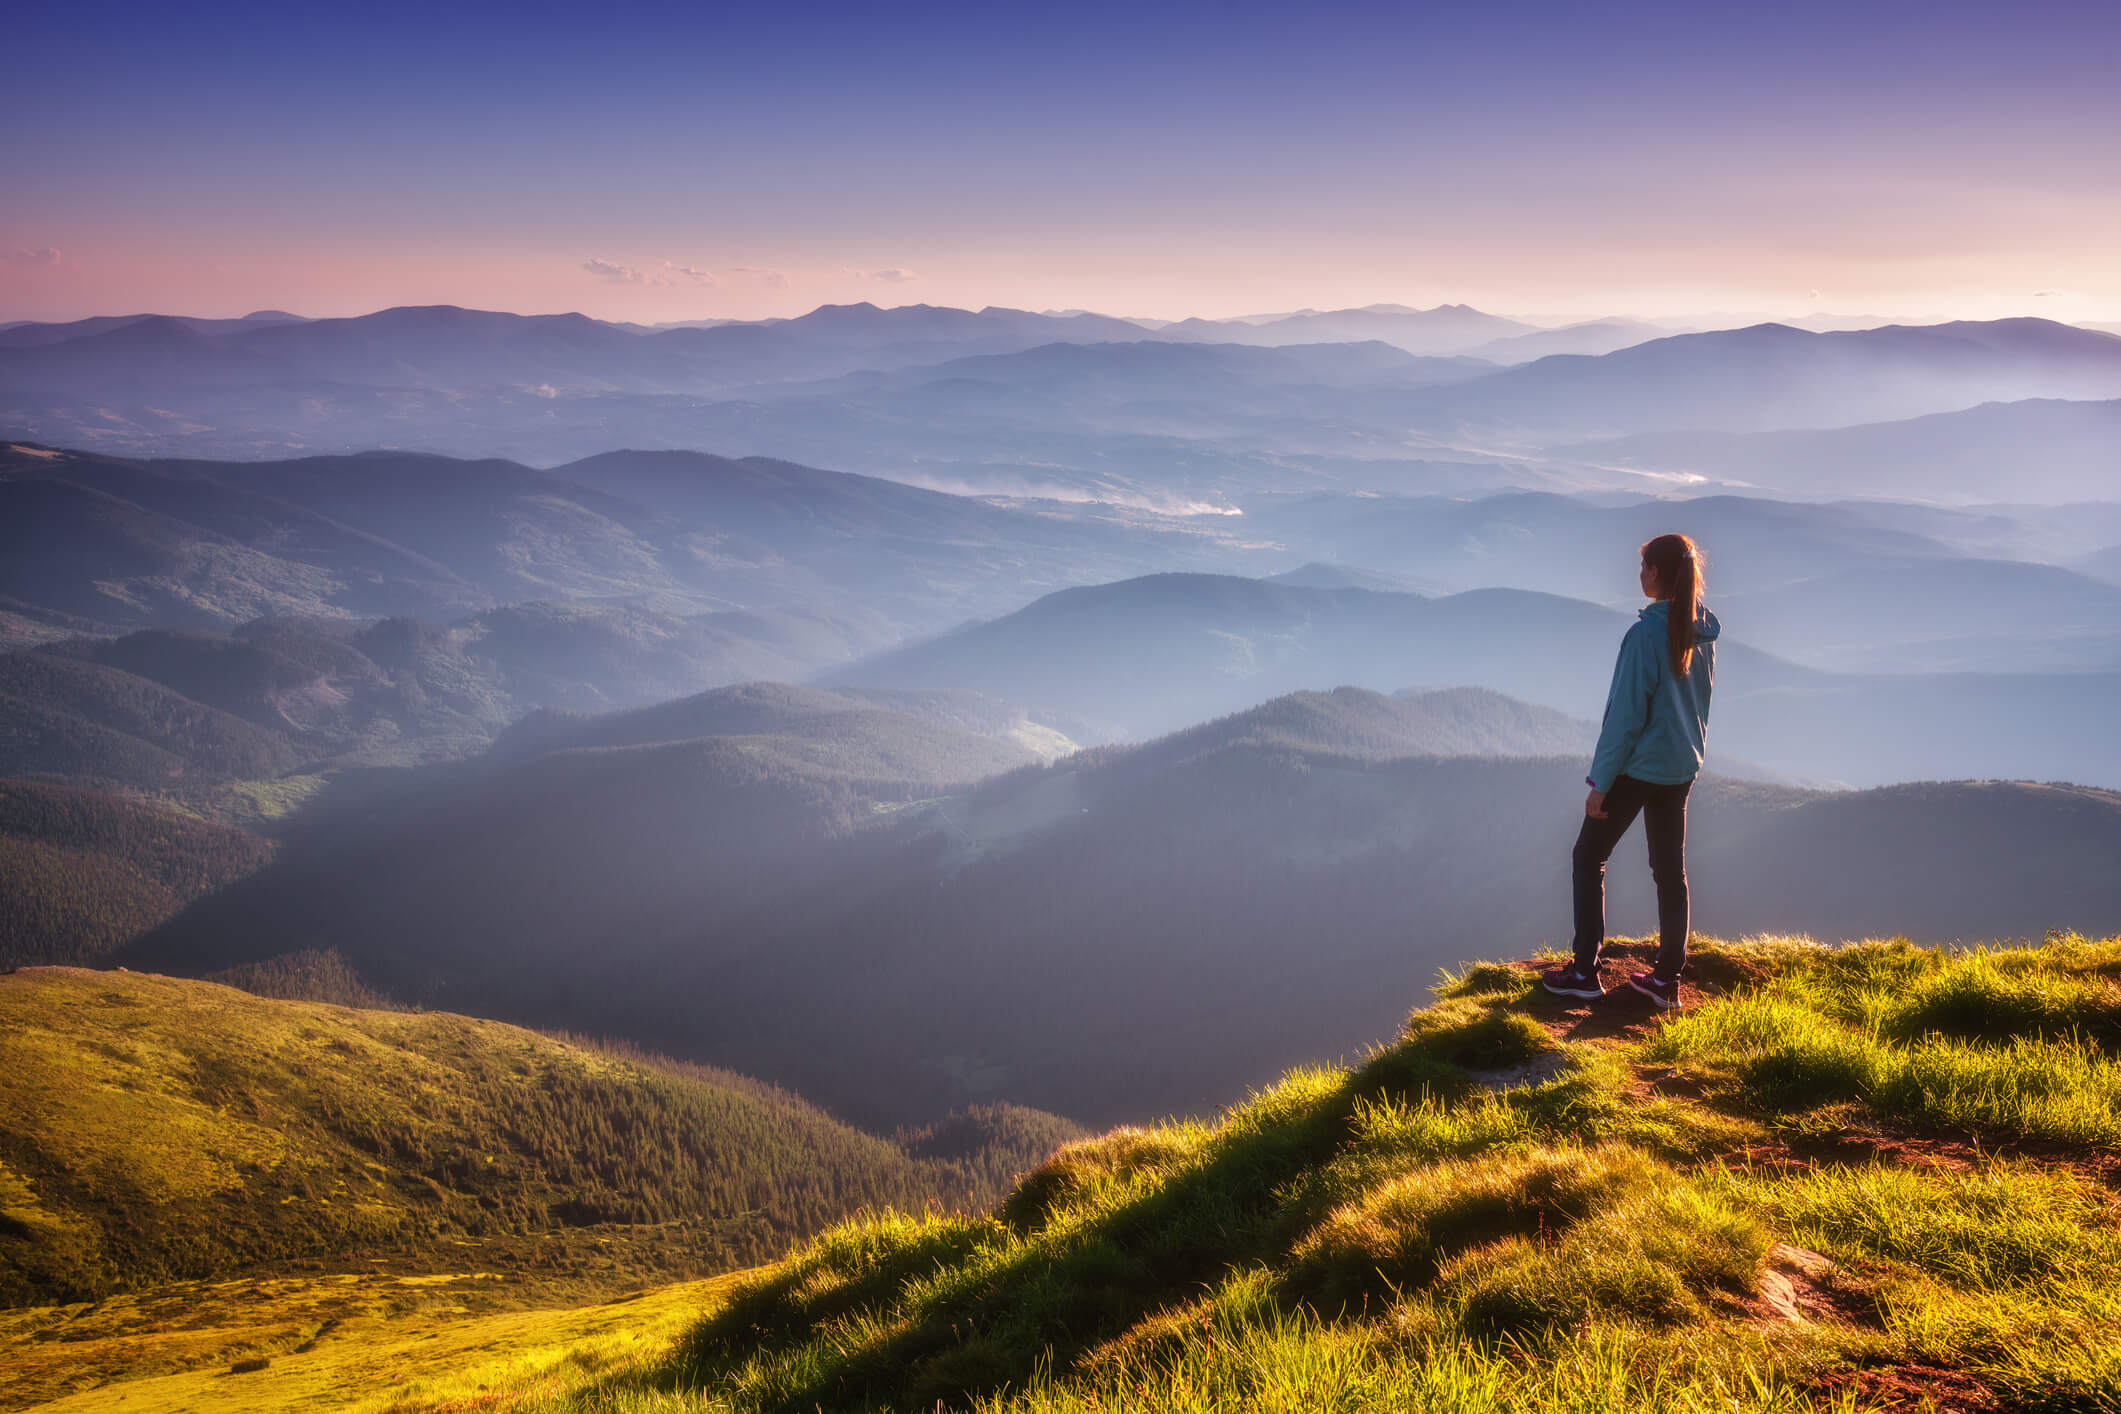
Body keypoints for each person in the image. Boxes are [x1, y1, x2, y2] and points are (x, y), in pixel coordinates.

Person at [1543, 533, 1719, 1010]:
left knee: (1587, 857)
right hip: (1680, 766)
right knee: (1670, 872)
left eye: (1643, 568)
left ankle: (1584, 971)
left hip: (1639, 767)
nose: (1639, 576)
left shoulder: (1645, 636)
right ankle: (1666, 980)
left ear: (1656, 574)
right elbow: (1698, 705)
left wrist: (1600, 783)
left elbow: (1624, 719)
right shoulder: (1700, 631)